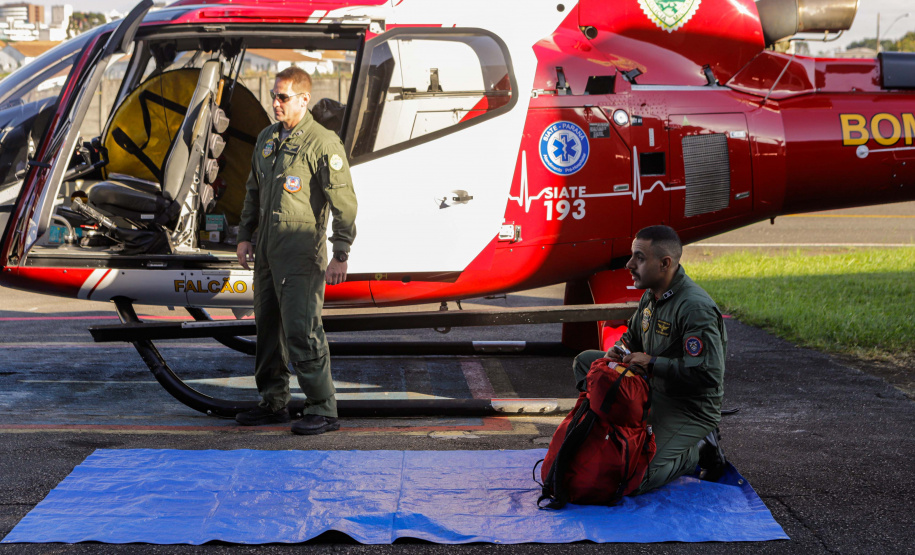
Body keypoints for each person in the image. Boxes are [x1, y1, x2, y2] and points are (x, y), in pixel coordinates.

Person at [234, 66, 357, 435]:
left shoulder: (322, 143)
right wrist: (245, 235)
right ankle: (273, 402)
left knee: (302, 330)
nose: (275, 102)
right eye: (274, 95)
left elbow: (344, 204)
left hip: (301, 254)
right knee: (268, 330)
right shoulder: (268, 139)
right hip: (268, 253)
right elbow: (253, 191)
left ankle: (322, 407)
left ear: (304, 100)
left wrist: (341, 251)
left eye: (283, 97)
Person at [572, 225, 728, 493]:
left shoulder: (694, 308)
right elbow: (630, 338)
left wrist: (653, 363)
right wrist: (617, 351)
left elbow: (708, 374)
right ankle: (612, 428)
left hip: (688, 406)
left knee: (633, 480)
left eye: (639, 258)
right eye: (632, 256)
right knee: (587, 362)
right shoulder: (651, 295)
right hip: (652, 388)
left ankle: (698, 448)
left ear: (665, 263)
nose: (630, 264)